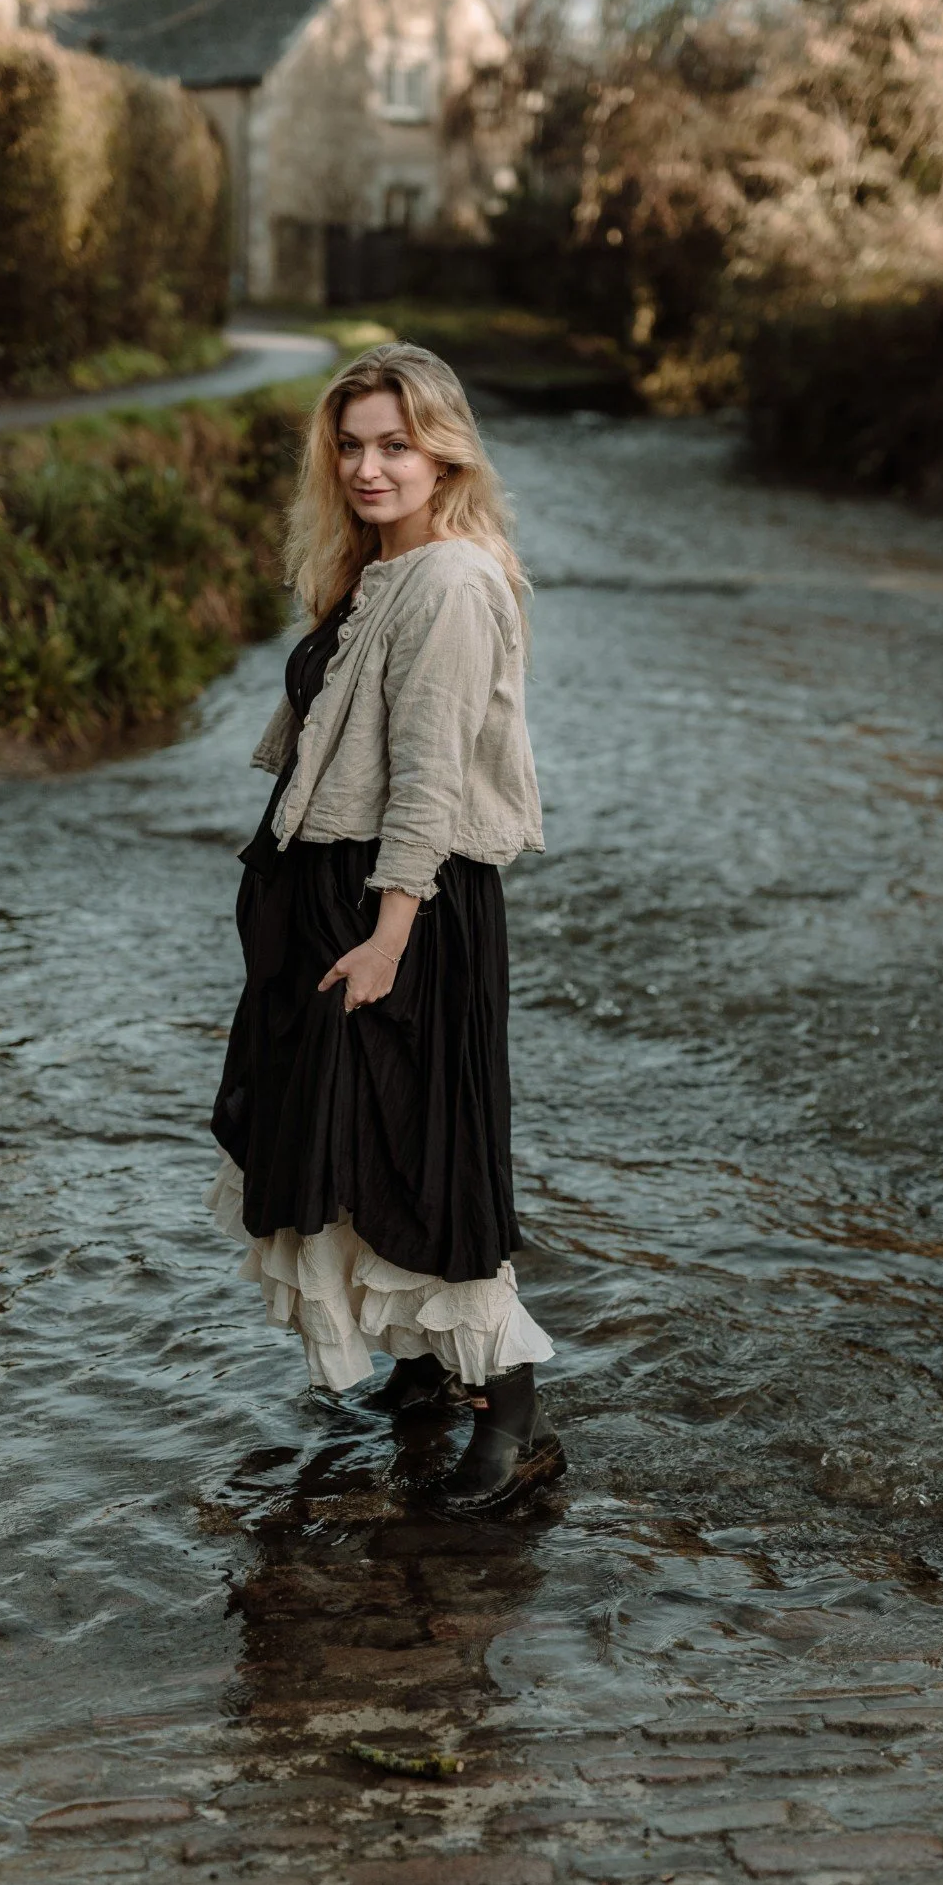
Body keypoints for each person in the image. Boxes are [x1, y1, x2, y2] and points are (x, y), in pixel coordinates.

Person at [206, 342, 563, 1514]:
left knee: (424, 1156)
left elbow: (429, 783)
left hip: (405, 905)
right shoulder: (378, 571)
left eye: (395, 444)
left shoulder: (453, 582)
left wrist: (388, 933)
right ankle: (419, 1378)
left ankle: (512, 1419)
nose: (368, 465)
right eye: (351, 443)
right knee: (349, 1146)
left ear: (443, 449)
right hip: (341, 901)